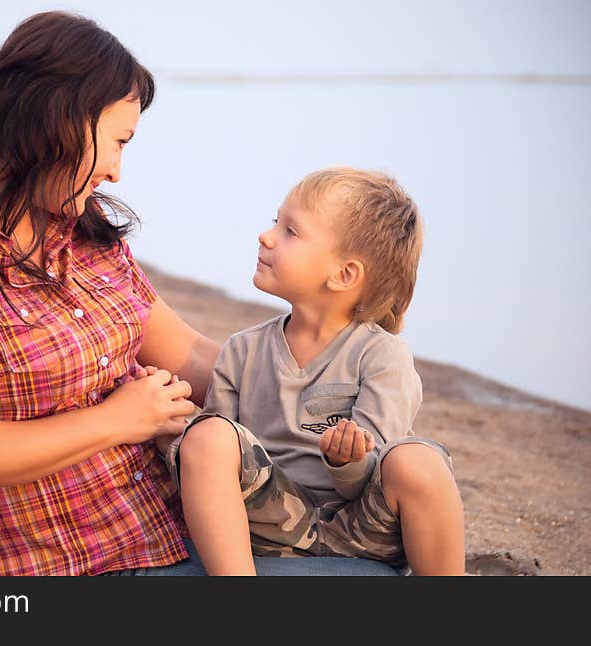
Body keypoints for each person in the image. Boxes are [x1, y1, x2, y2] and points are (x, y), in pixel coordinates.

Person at [0, 11, 399, 576]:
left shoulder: (80, 229)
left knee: (396, 546)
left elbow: (196, 360)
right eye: (116, 141)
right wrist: (119, 421)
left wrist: (345, 389)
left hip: (195, 525)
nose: (115, 171)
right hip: (89, 565)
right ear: (54, 121)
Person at [165, 167, 466, 575]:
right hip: (273, 522)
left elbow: (373, 473)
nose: (266, 236)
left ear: (343, 274)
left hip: (359, 524)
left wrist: (348, 462)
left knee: (417, 461)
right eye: (277, 223)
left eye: (291, 231)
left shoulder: (382, 356)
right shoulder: (242, 350)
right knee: (206, 434)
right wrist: (174, 433)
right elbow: (218, 463)